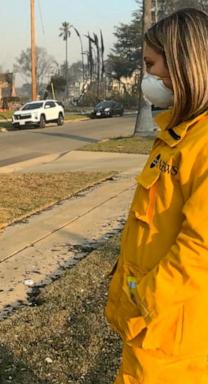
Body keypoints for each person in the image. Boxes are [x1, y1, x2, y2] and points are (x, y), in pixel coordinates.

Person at [105, 8, 208, 384]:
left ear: (181, 63)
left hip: (175, 343)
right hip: (152, 334)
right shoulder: (176, 136)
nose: (148, 77)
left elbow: (201, 250)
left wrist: (145, 299)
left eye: (151, 64)